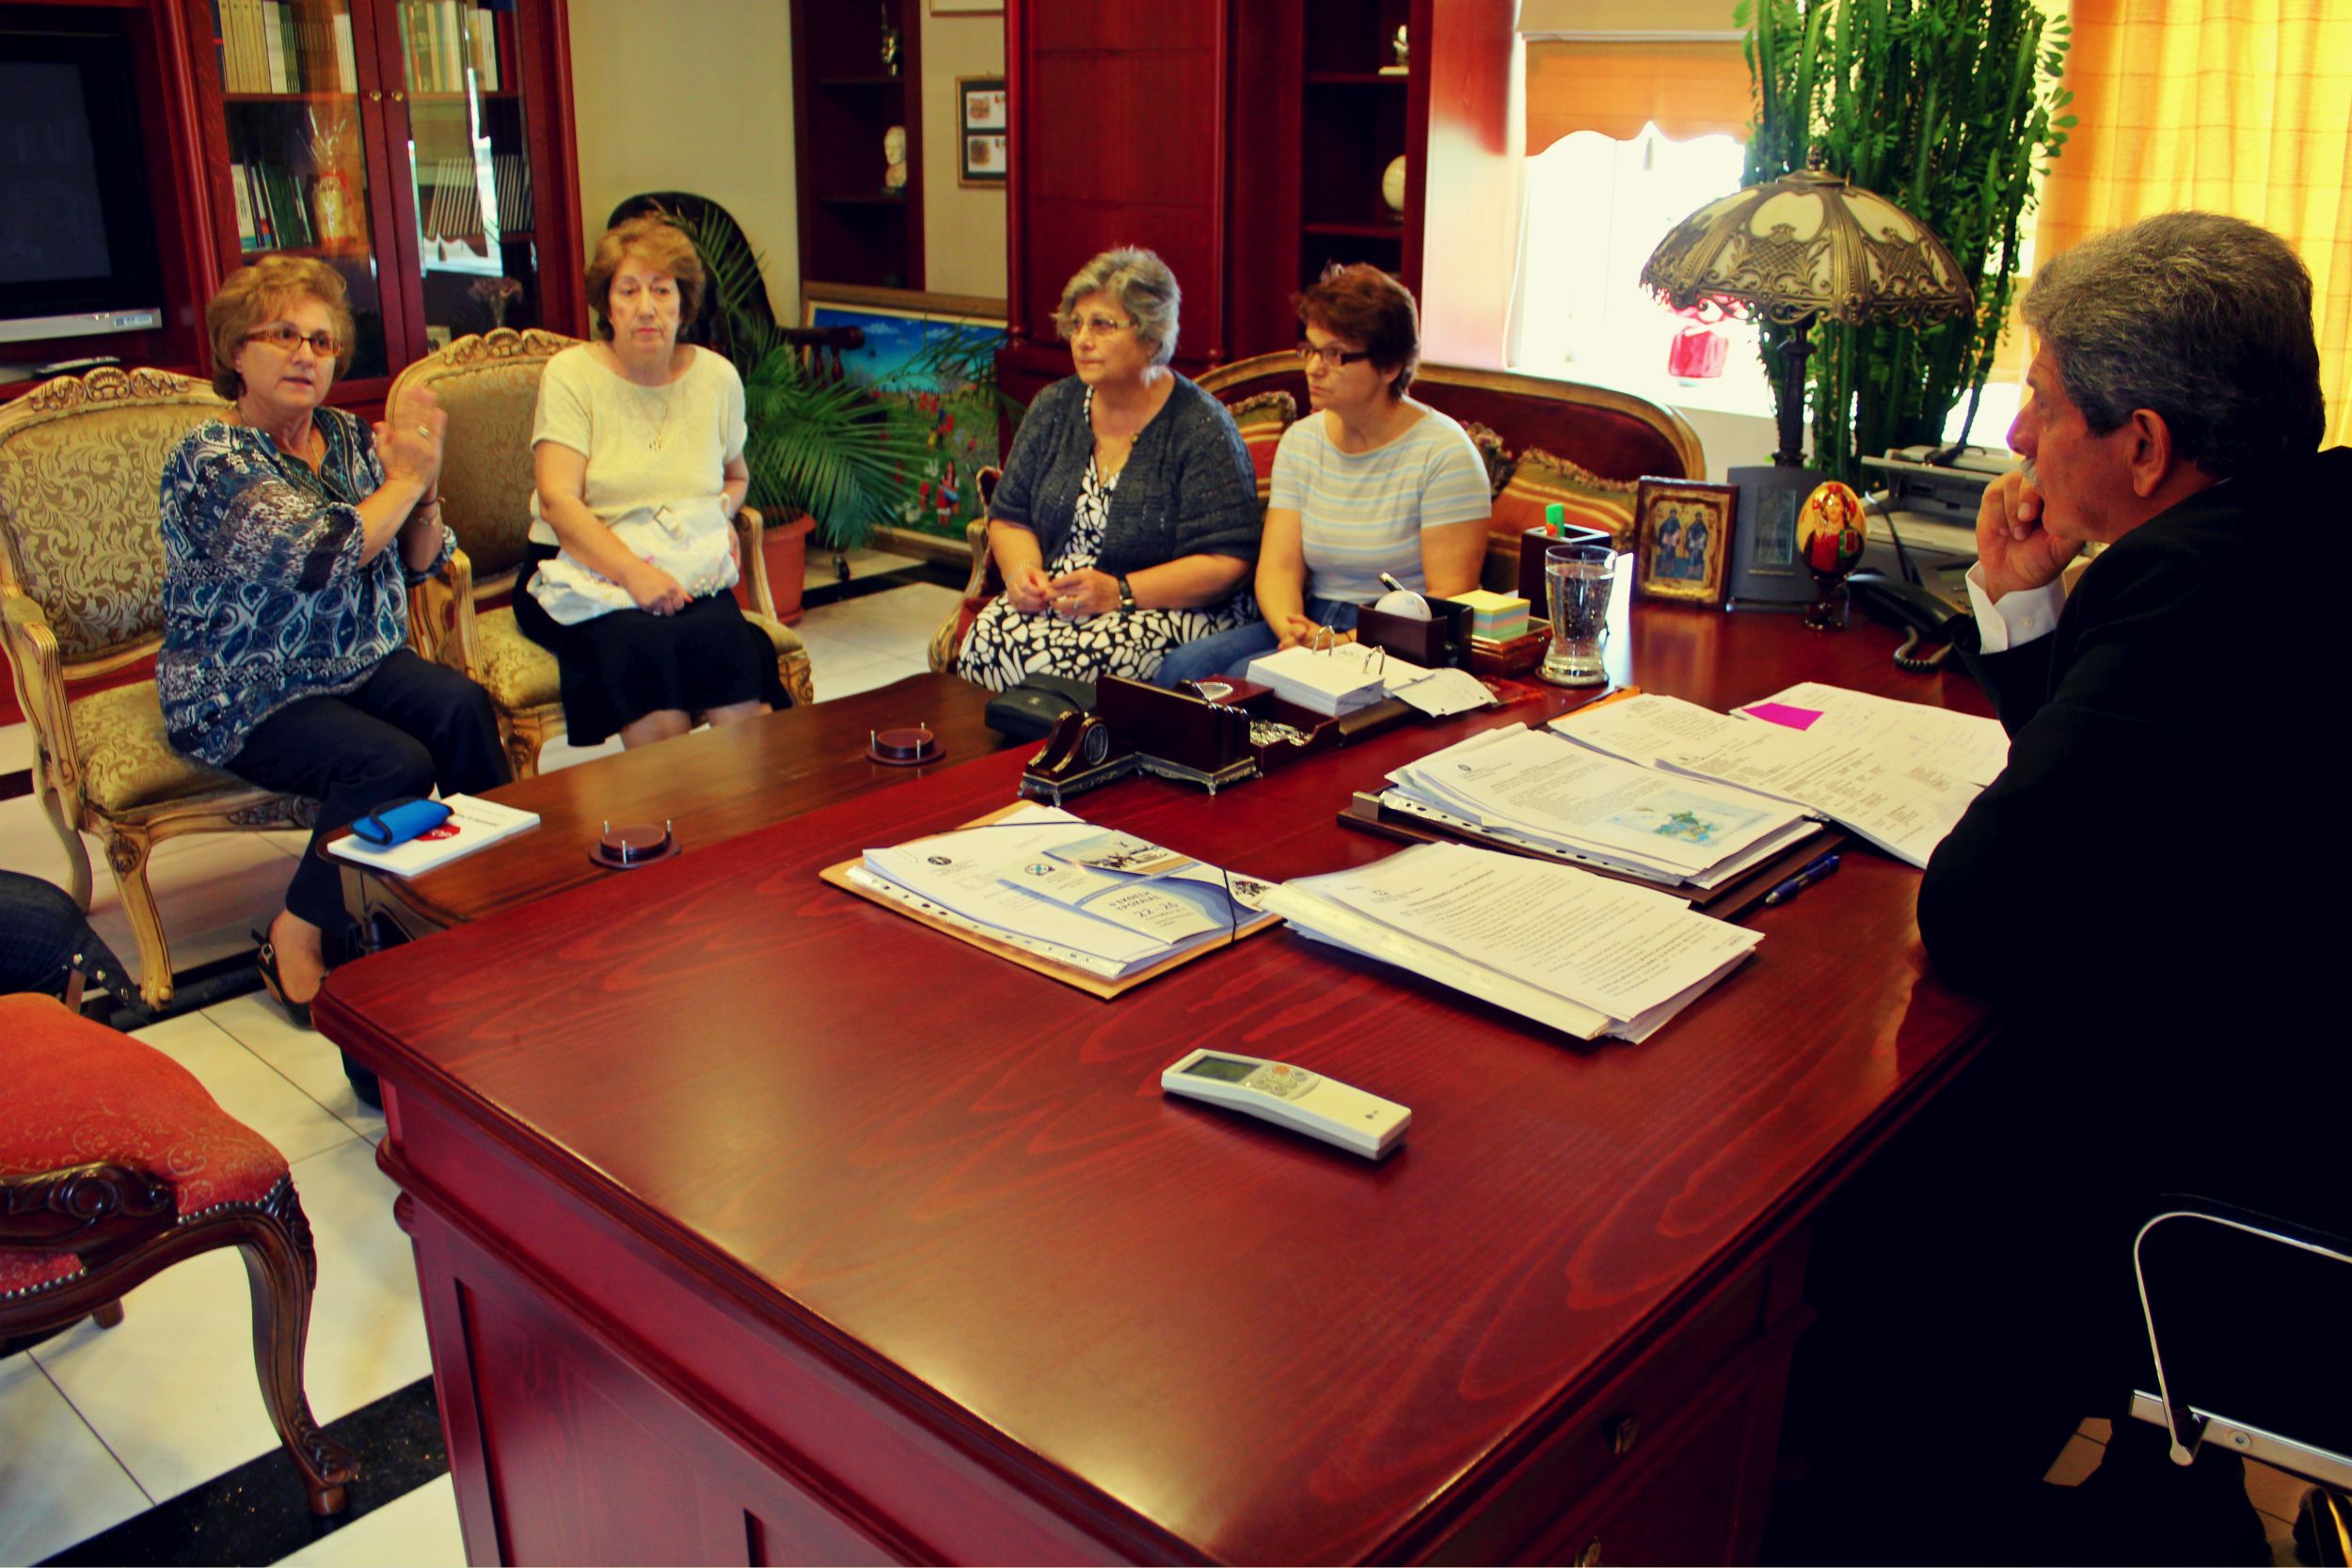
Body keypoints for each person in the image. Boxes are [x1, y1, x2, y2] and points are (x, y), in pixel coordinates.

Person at [1775, 212, 2344, 1564]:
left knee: (1851, 1205)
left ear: (2143, 445)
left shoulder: (2191, 587)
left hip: (2245, 1172)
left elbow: (1987, 910)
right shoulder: (2303, 526)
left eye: (2040, 398)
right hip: (2303, 1054)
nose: (2020, 436)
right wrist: (2025, 603)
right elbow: (2122, 791)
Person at [158, 256, 506, 1029]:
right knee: (390, 761)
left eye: (321, 342)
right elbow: (319, 556)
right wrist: (405, 481)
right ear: (235, 351)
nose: (305, 355)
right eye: (283, 335)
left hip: (360, 662)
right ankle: (300, 926)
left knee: (462, 708)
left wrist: (427, 488)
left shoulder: (347, 437)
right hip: (245, 687)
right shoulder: (210, 460)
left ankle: (492, 897)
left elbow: (419, 562)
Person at [516, 214, 787, 748]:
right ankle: (669, 801)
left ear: (684, 303)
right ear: (607, 304)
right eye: (629, 290)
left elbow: (736, 477)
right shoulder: (573, 375)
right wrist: (635, 575)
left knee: (727, 644)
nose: (646, 307)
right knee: (643, 652)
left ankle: (751, 797)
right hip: (581, 572)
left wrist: (717, 517)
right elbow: (558, 503)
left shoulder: (716, 379)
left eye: (662, 290)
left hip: (684, 568)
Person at [1155, 263, 1488, 688]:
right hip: (1311, 616)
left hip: (1397, 635)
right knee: (1181, 668)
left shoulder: (1445, 452)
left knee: (1244, 683)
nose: (1314, 367)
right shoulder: (1302, 441)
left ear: (1390, 366)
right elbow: (1278, 568)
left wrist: (1339, 642)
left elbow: (1448, 597)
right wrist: (1291, 628)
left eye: (1335, 355)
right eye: (1310, 350)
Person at [955, 247, 1260, 692]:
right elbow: (1010, 515)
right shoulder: (1053, 407)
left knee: (1067, 668)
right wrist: (1023, 575)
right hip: (1063, 599)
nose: (1081, 339)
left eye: (1102, 325)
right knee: (984, 640)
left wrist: (1119, 591)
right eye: (1076, 324)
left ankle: (1068, 742)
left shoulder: (1201, 426)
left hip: (1167, 608)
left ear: (1152, 337)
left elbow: (1228, 560)